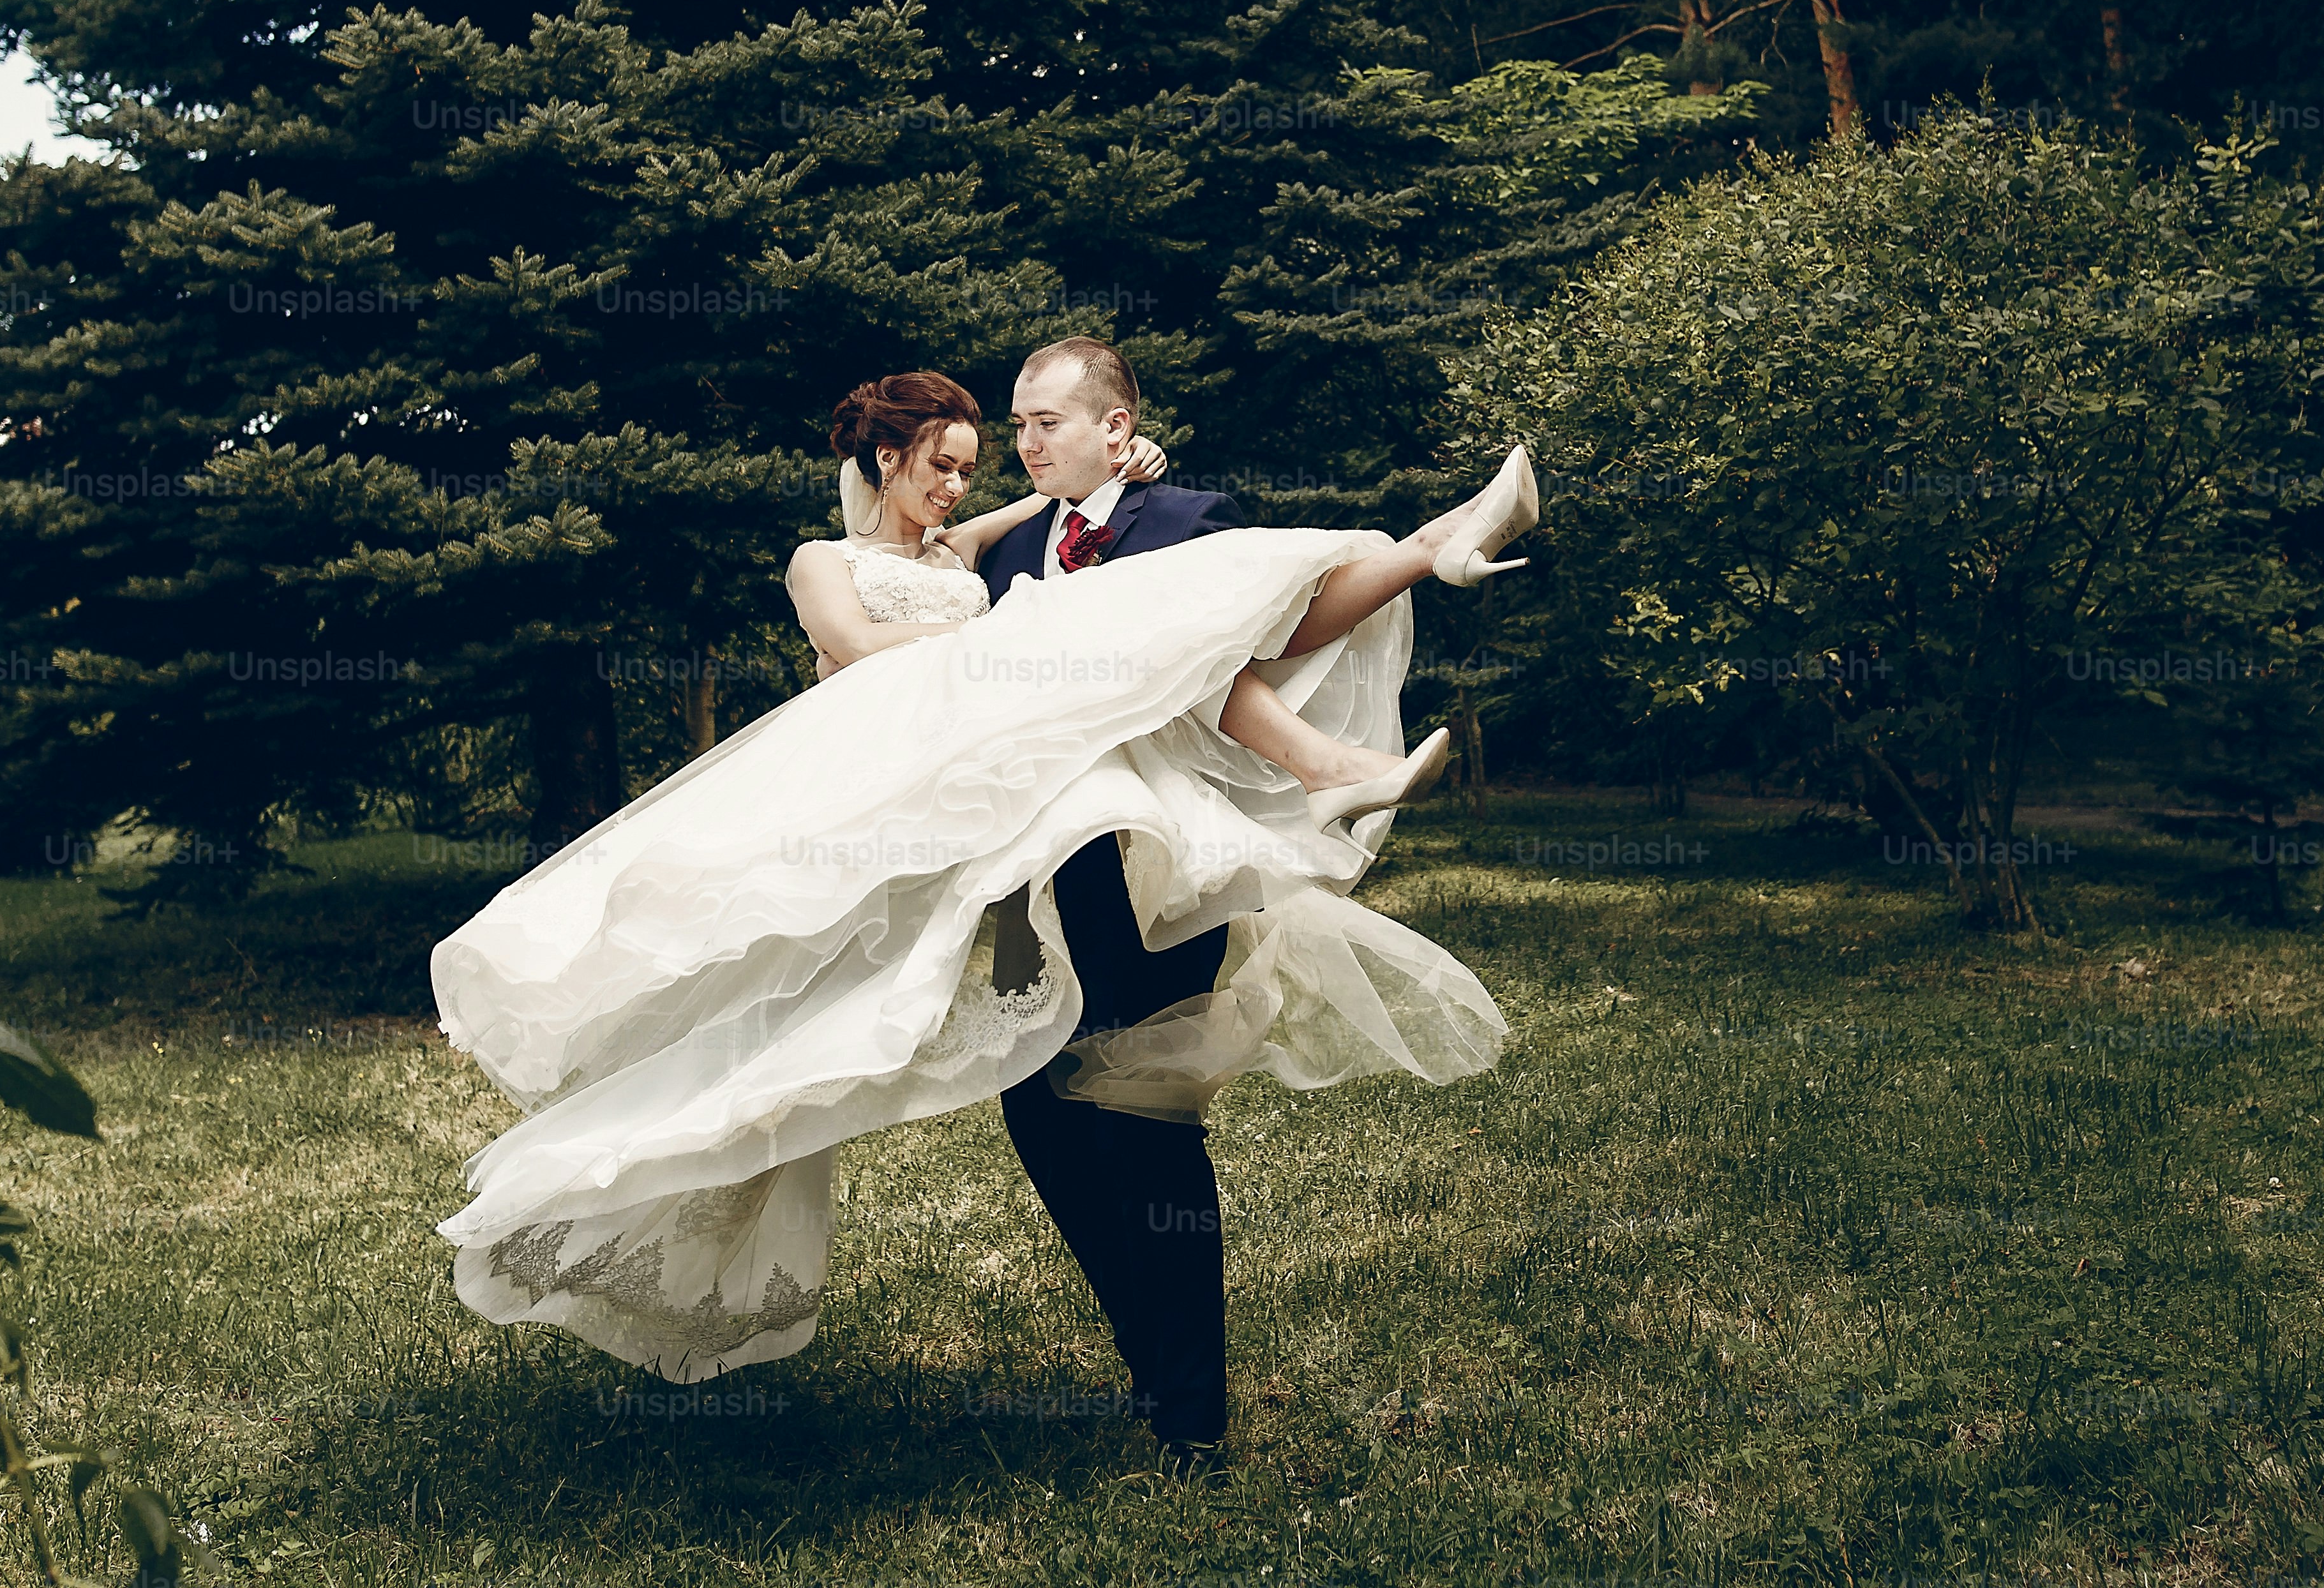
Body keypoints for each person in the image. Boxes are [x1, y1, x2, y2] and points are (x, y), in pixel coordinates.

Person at [430, 344, 1534, 1465]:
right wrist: (1008, 626)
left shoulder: (1162, 523)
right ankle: (1155, 1371)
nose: (984, 471)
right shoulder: (964, 569)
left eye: (1023, 435)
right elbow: (874, 638)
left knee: (1143, 1118)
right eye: (981, 447)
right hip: (1001, 884)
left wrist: (1115, 485)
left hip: (1145, 873)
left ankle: (1190, 1416)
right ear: (889, 461)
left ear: (1112, 429)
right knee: (1042, 1117)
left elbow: (1261, 625)